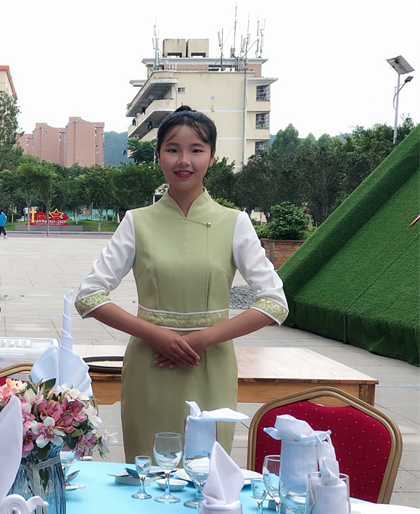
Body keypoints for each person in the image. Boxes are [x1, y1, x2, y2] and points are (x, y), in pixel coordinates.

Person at [74, 106, 288, 462]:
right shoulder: (136, 222)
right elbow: (89, 296)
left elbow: (274, 303)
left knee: (207, 474)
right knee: (148, 471)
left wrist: (202, 339)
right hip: (150, 365)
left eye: (196, 150)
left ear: (212, 157)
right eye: (172, 149)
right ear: (158, 155)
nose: (184, 160)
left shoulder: (234, 223)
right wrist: (156, 335)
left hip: (210, 365)